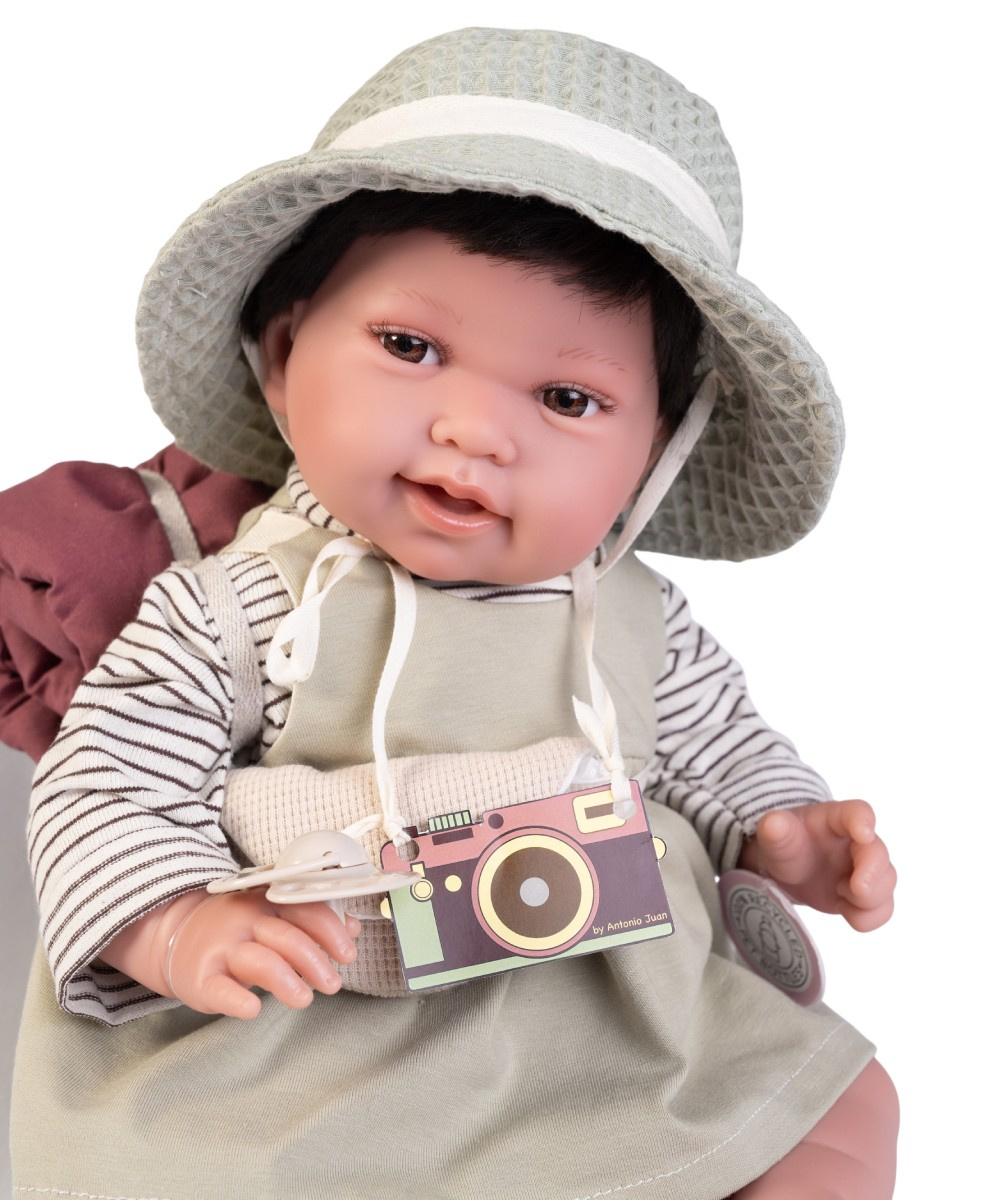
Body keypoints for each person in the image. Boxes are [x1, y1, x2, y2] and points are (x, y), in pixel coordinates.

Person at [11, 27, 897, 1200]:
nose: (476, 430)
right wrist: (174, 923)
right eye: (409, 346)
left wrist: (778, 823)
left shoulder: (630, 618)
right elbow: (106, 781)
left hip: (604, 1031)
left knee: (842, 1102)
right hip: (314, 1044)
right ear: (283, 354)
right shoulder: (240, 605)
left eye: (566, 397)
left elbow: (711, 744)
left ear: (651, 455)